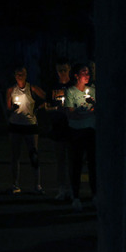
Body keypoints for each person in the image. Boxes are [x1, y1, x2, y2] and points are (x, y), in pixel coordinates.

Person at [5, 66, 45, 194]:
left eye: (21, 73)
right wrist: (12, 108)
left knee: (33, 154)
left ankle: (37, 185)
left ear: (26, 74)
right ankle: (15, 184)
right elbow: (8, 107)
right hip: (15, 125)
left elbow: (45, 96)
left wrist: (40, 107)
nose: (19, 76)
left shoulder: (31, 88)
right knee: (15, 155)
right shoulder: (11, 90)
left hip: (30, 125)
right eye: (17, 74)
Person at [66, 64, 96, 211]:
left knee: (93, 164)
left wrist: (93, 105)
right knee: (76, 163)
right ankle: (76, 196)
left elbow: (98, 108)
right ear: (76, 75)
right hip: (76, 131)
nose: (87, 75)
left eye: (88, 72)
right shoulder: (71, 91)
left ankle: (95, 194)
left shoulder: (94, 91)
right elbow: (71, 113)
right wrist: (89, 112)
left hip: (91, 130)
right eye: (84, 72)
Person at [47, 61, 73, 201]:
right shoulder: (54, 88)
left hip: (71, 128)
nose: (62, 72)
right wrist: (55, 110)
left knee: (71, 160)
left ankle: (71, 188)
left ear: (69, 69)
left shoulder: (73, 86)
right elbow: (48, 106)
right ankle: (62, 188)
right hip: (57, 127)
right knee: (60, 160)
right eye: (59, 70)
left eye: (64, 69)